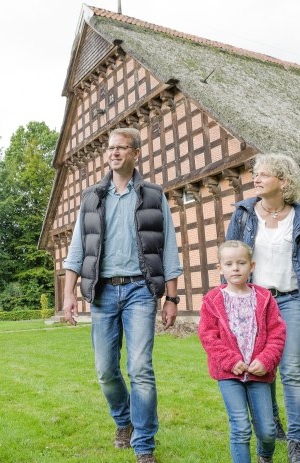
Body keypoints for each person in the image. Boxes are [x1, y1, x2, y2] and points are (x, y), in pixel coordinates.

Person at [62, 127, 183, 463]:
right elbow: (76, 250)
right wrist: (69, 293)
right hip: (101, 293)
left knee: (140, 367)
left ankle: (144, 445)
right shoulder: (91, 197)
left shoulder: (153, 196)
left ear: (135, 153)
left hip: (140, 291)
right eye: (110, 148)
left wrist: (171, 299)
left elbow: (169, 250)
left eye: (121, 148)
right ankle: (124, 421)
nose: (114, 152)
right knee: (105, 369)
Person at [225, 153, 300, 463]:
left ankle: (296, 443)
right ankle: (273, 425)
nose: (256, 179)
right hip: (253, 302)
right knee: (261, 368)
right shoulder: (243, 213)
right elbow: (230, 258)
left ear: (283, 181)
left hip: (291, 300)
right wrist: (228, 301)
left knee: (292, 371)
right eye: (256, 173)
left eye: (264, 174)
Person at [198, 240, 287, 463]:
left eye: (241, 262)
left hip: (259, 374)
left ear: (252, 266)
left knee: (267, 430)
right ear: (220, 269)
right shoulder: (212, 301)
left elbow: (277, 334)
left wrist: (266, 360)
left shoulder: (265, 298)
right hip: (229, 375)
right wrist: (230, 360)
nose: (235, 268)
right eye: (229, 263)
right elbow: (208, 336)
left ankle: (264, 456)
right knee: (240, 427)